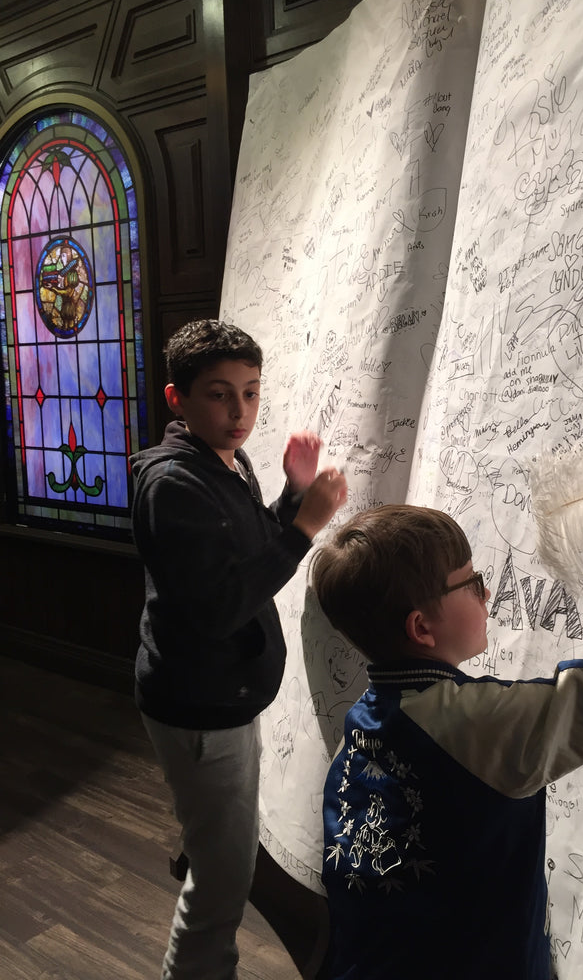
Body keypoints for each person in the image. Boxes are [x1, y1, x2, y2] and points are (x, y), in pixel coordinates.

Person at [310, 460, 583, 979]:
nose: (487, 592)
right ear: (421, 627)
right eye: (470, 582)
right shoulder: (471, 725)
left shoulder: (364, 722)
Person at [130, 319, 347, 980]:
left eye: (251, 393)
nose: (241, 412)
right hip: (200, 708)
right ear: (178, 399)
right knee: (221, 888)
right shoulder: (175, 483)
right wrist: (306, 526)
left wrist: (290, 494)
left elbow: (245, 551)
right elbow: (219, 606)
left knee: (222, 856)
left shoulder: (225, 460)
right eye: (221, 395)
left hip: (224, 697)